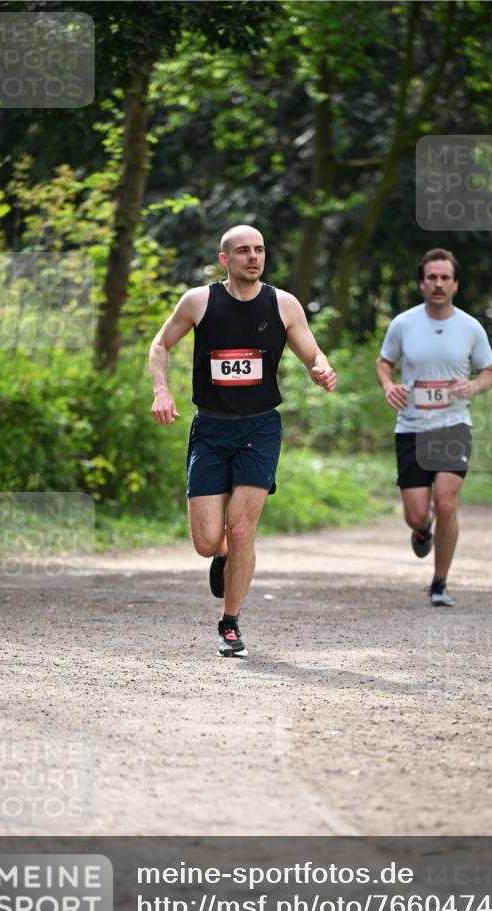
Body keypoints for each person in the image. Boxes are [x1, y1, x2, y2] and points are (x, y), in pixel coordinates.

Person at [149, 224, 337, 656]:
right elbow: (161, 345)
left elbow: (312, 351)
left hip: (259, 429)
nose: (253, 257)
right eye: (243, 252)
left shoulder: (283, 304)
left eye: (259, 250)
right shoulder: (198, 301)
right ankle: (223, 557)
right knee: (207, 540)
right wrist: (162, 389)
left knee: (241, 529)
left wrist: (320, 368)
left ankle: (230, 623)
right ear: (224, 259)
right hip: (211, 429)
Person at [376, 248, 492, 607]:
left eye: (445, 277)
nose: (439, 283)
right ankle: (420, 528)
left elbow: (489, 372)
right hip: (412, 427)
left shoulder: (471, 327)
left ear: (455, 284)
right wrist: (389, 386)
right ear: (421, 283)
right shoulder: (403, 324)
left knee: (445, 503)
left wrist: (474, 386)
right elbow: (385, 363)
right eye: (432, 277)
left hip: (452, 425)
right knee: (416, 513)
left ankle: (440, 581)